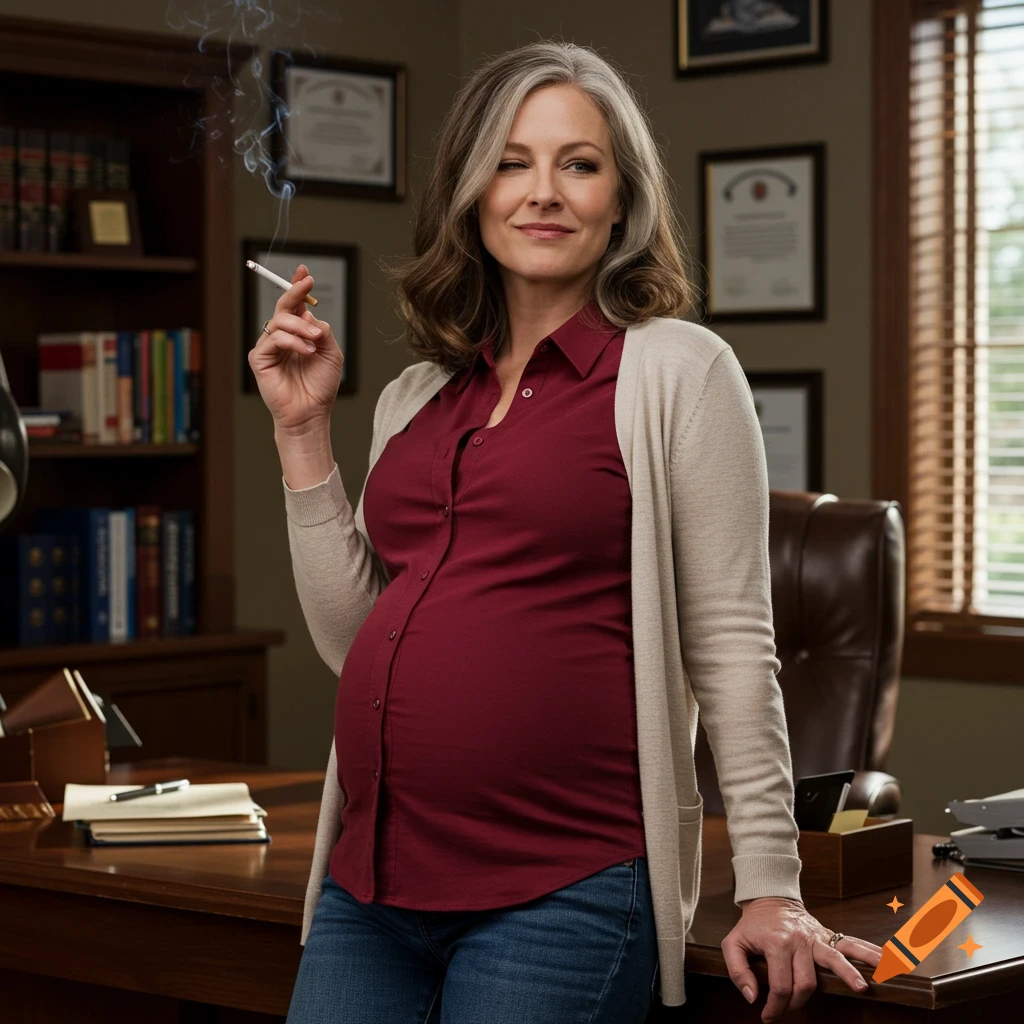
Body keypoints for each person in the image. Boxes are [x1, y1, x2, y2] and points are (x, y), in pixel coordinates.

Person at [250, 40, 883, 1024]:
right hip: (368, 885)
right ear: (469, 189)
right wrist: (301, 432)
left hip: (562, 888)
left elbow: (731, 641)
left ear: (621, 200)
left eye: (578, 164)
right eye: (510, 161)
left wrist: (769, 883)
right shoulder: (417, 394)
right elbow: (352, 634)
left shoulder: (679, 370)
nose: (542, 192)